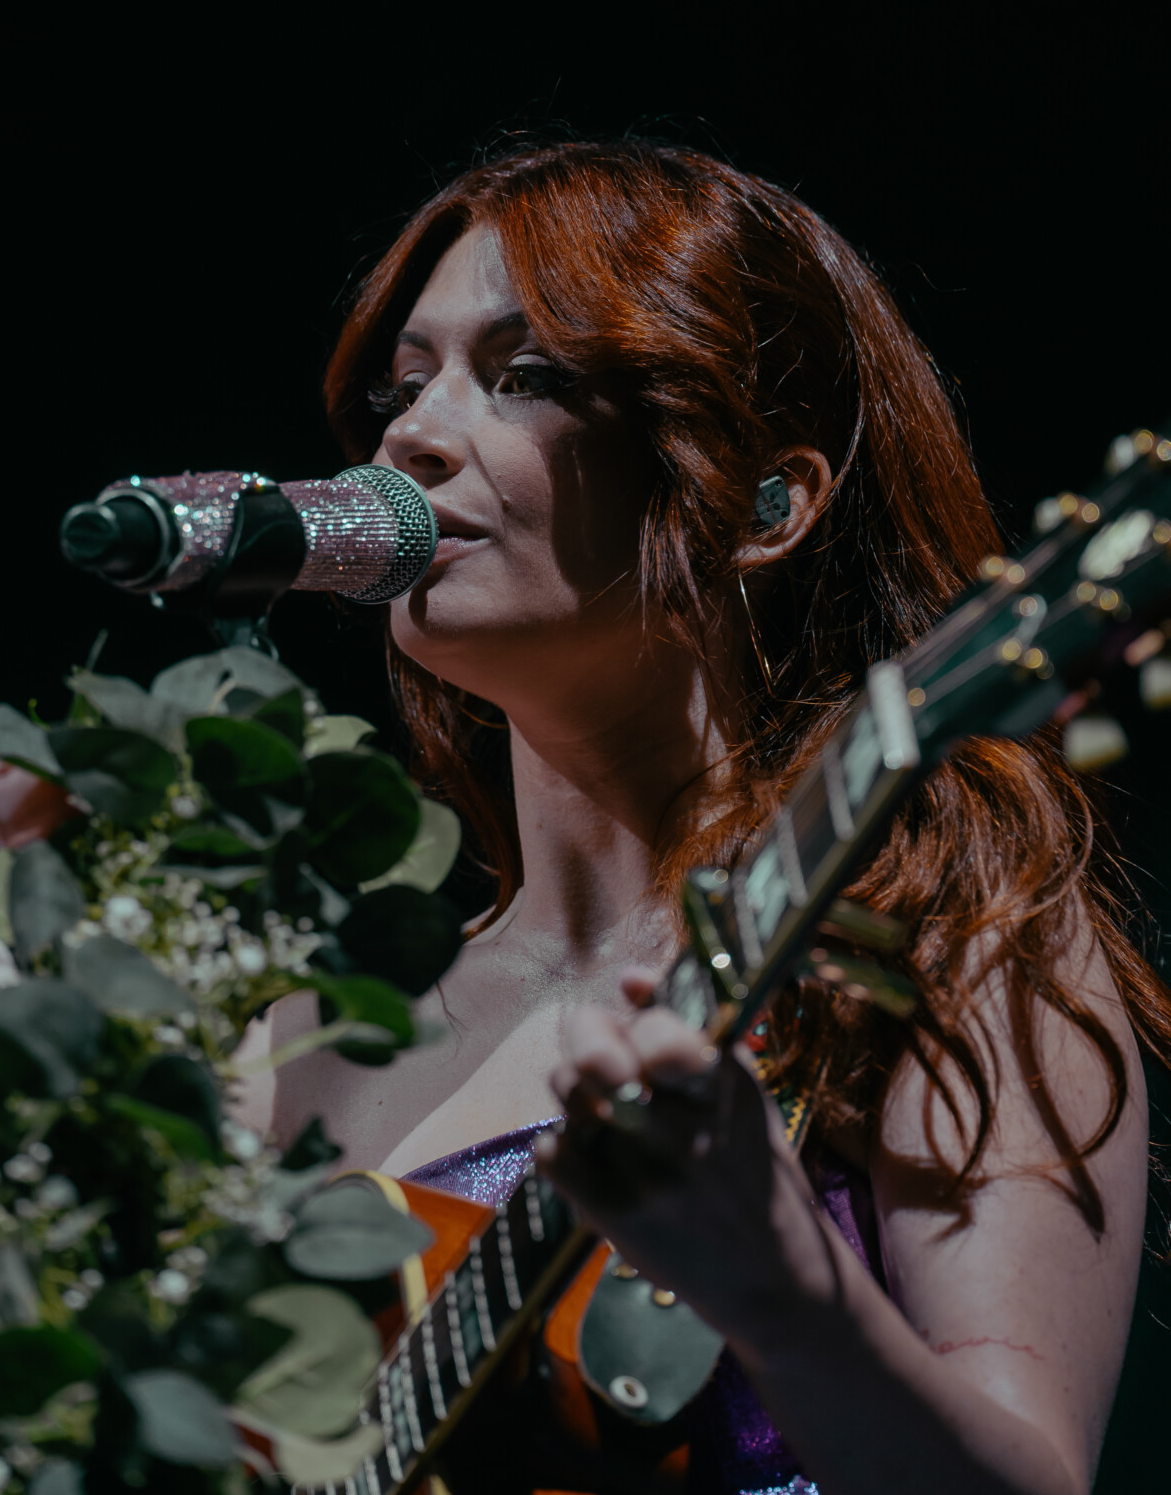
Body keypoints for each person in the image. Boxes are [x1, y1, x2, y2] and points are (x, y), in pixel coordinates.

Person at [235, 141, 1170, 1494]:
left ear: (764, 505)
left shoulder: (941, 928)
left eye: (525, 375)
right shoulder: (306, 1045)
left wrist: (793, 1300)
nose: (410, 437)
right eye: (404, 384)